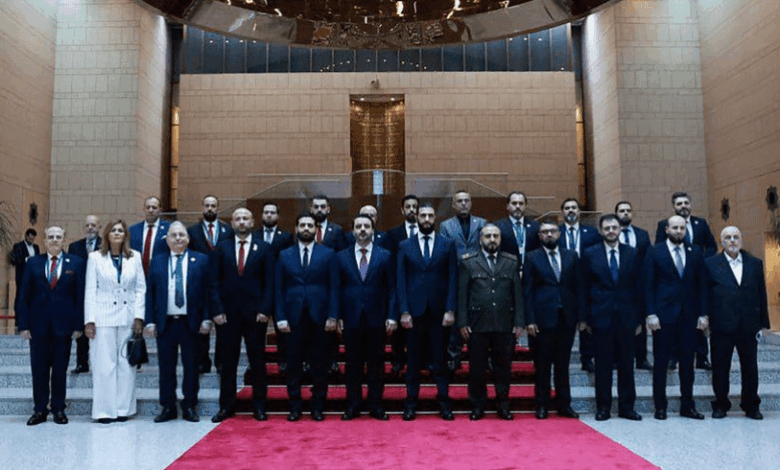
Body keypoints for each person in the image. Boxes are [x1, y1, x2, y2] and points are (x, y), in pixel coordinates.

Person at [210, 208, 274, 423]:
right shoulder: (222, 247)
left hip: (256, 315)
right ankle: (226, 407)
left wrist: (265, 310)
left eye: (246, 218)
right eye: (237, 218)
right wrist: (217, 310)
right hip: (227, 316)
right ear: (232, 223)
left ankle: (260, 407)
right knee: (228, 363)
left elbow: (270, 282)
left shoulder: (264, 248)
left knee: (257, 362)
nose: (242, 222)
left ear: (253, 222)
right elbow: (214, 282)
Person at [17, 225, 86, 425]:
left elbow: (80, 297)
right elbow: (23, 295)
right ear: (45, 240)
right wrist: (23, 325)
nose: (55, 240)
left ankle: (58, 409)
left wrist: (78, 325)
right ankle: (39, 410)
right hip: (37, 327)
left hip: (63, 327)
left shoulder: (76, 263)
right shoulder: (32, 263)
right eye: (51, 237)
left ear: (64, 240)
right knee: (39, 370)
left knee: (60, 370)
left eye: (58, 237)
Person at [144, 222, 212, 423]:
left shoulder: (201, 260)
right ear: (167, 239)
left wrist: (207, 318)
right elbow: (150, 293)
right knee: (166, 368)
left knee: (191, 367)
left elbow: (208, 292)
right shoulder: (157, 261)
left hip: (191, 323)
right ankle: (168, 407)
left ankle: (189, 405)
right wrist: (150, 321)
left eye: (182, 235)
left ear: (188, 239)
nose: (178, 238)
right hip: (166, 324)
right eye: (174, 235)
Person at [397, 202, 458, 421]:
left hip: (439, 313)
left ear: (435, 218)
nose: (425, 219)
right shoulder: (405, 245)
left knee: (440, 361)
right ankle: (411, 403)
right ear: (416, 217)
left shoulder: (447, 244)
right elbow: (400, 280)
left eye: (430, 215)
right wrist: (404, 311)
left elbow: (453, 278)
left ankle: (444, 403)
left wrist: (450, 309)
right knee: (413, 362)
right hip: (414, 313)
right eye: (422, 215)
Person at [276, 214, 339, 422]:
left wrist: (333, 315)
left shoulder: (328, 253)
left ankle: (317, 406)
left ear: (316, 229)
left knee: (320, 364)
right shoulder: (284, 254)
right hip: (292, 318)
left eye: (309, 225)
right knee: (293, 364)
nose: (305, 228)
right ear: (296, 229)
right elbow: (278, 288)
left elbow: (334, 287)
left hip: (320, 317)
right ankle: (295, 406)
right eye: (302, 225)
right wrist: (280, 317)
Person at [579, 214, 642, 421]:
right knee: (603, 366)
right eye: (607, 228)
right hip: (600, 317)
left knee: (627, 365)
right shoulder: (590, 253)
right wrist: (584, 318)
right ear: (600, 231)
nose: (611, 231)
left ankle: (627, 407)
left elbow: (639, 287)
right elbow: (584, 288)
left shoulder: (632, 253)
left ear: (620, 229)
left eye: (614, 227)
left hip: (626, 317)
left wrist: (639, 319)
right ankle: (603, 407)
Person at [644, 216, 707, 420]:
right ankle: (660, 407)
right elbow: (648, 285)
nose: (679, 231)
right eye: (675, 228)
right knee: (661, 363)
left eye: (682, 228)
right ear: (667, 229)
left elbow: (702, 286)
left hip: (689, 316)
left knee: (688, 364)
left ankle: (687, 406)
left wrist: (703, 314)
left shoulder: (695, 251)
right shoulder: (655, 251)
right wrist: (650, 313)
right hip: (663, 316)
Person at [458, 224, 523, 421]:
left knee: (503, 367)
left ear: (501, 239)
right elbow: (462, 294)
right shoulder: (468, 262)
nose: (492, 240)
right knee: (477, 368)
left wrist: (519, 321)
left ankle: (503, 405)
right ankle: (478, 405)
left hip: (504, 323)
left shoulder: (511, 262)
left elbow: (517, 294)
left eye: (496, 236)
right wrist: (462, 322)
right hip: (477, 324)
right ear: (480, 239)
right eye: (488, 236)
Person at [704, 226, 770, 420]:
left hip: (748, 324)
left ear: (740, 240)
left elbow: (761, 293)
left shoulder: (755, 263)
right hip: (721, 324)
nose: (732, 240)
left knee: (750, 367)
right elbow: (705, 294)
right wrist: (704, 317)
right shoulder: (710, 264)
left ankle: (751, 405)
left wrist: (763, 322)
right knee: (720, 367)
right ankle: (721, 404)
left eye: (735, 237)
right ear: (721, 242)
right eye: (728, 237)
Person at [84, 220, 146, 424]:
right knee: (104, 365)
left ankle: (123, 409)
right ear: (107, 235)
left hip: (128, 317)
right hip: (103, 317)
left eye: (121, 230)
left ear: (126, 235)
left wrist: (139, 317)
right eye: (113, 230)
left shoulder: (135, 257)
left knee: (126, 365)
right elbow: (90, 290)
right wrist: (89, 320)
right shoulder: (95, 258)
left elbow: (140, 288)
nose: (117, 233)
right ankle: (104, 411)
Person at [336, 214, 397, 421]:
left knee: (376, 364)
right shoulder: (341, 256)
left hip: (377, 318)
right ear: (353, 230)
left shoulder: (385, 255)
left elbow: (392, 288)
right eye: (358, 226)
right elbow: (337, 288)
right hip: (350, 318)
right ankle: (353, 405)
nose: (362, 229)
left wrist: (392, 316)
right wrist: (337, 316)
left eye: (366, 226)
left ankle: (375, 404)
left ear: (373, 230)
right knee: (352, 365)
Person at [523, 220, 581, 419]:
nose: (549, 234)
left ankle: (565, 405)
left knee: (563, 365)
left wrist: (580, 316)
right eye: (545, 232)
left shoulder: (571, 256)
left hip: (566, 319)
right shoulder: (532, 257)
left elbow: (578, 288)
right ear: (540, 236)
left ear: (559, 233)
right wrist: (529, 320)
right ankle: (542, 405)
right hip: (541, 320)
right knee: (542, 365)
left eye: (552, 231)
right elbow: (527, 290)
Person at [655, 191, 716, 370]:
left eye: (686, 203)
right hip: (674, 281)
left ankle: (702, 357)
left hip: (696, 279)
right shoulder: (664, 225)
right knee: (676, 320)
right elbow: (660, 249)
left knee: (698, 317)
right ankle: (674, 357)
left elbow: (711, 246)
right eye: (679, 203)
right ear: (673, 207)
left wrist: (701, 261)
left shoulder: (701, 223)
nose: (683, 206)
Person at [187, 195, 234, 375]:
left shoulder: (228, 230)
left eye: (213, 206)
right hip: (200, 283)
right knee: (202, 324)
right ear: (202, 208)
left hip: (222, 283)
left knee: (223, 325)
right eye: (207, 205)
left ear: (217, 208)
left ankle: (221, 361)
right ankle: (202, 361)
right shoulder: (192, 231)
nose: (209, 209)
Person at [440, 190, 486, 371]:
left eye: (467, 200)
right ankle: (454, 356)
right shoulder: (445, 226)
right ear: (453, 205)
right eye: (460, 201)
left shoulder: (482, 223)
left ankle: (480, 357)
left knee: (478, 318)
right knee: (456, 319)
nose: (464, 204)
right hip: (456, 277)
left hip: (478, 278)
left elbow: (485, 248)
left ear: (471, 203)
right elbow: (445, 251)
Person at [559, 198, 600, 373]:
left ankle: (587, 358)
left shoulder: (591, 232)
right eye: (567, 208)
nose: (570, 210)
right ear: (562, 212)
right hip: (564, 282)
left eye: (573, 208)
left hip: (587, 282)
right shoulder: (557, 232)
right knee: (565, 321)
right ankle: (562, 358)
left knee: (586, 320)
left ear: (579, 212)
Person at [615, 201, 652, 371]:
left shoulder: (642, 234)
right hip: (617, 284)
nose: (625, 213)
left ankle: (641, 358)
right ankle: (617, 358)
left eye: (628, 210)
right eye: (622, 210)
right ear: (616, 213)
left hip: (638, 285)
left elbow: (648, 259)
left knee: (640, 322)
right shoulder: (611, 233)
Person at [258, 202, 294, 373]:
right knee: (258, 329)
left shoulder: (286, 236)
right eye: (266, 212)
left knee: (282, 327)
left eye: (272, 212)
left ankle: (283, 360)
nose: (269, 215)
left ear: (278, 216)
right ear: (262, 215)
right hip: (260, 288)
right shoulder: (254, 235)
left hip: (280, 286)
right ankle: (257, 361)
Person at [385, 194, 419, 375]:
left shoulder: (426, 232)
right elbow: (390, 261)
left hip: (419, 286)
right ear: (402, 210)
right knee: (398, 328)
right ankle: (398, 360)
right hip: (400, 284)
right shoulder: (394, 233)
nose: (411, 210)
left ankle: (418, 361)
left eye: (414, 206)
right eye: (408, 207)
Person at [67, 215, 102, 374]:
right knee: (81, 329)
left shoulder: (106, 245)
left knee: (100, 329)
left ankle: (99, 363)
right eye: (87, 225)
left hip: (101, 293)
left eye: (93, 225)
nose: (90, 228)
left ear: (99, 227)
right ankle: (82, 363)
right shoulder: (74, 247)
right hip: (80, 293)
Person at [494, 191, 541, 267]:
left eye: (521, 203)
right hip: (507, 269)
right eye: (514, 203)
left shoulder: (535, 226)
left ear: (525, 206)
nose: (518, 206)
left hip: (531, 269)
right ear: (507, 206)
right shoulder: (498, 226)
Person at [129, 196, 170, 276]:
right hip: (137, 274)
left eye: (154, 207)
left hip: (160, 274)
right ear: (144, 209)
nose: (151, 210)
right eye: (148, 207)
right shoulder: (133, 230)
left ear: (160, 210)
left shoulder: (168, 229)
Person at [11, 228, 39, 317]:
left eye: (33, 238)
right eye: (30, 237)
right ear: (26, 236)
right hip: (22, 275)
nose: (31, 239)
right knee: (20, 294)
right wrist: (28, 260)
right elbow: (16, 260)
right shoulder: (18, 246)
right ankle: (18, 314)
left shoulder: (36, 247)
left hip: (33, 276)